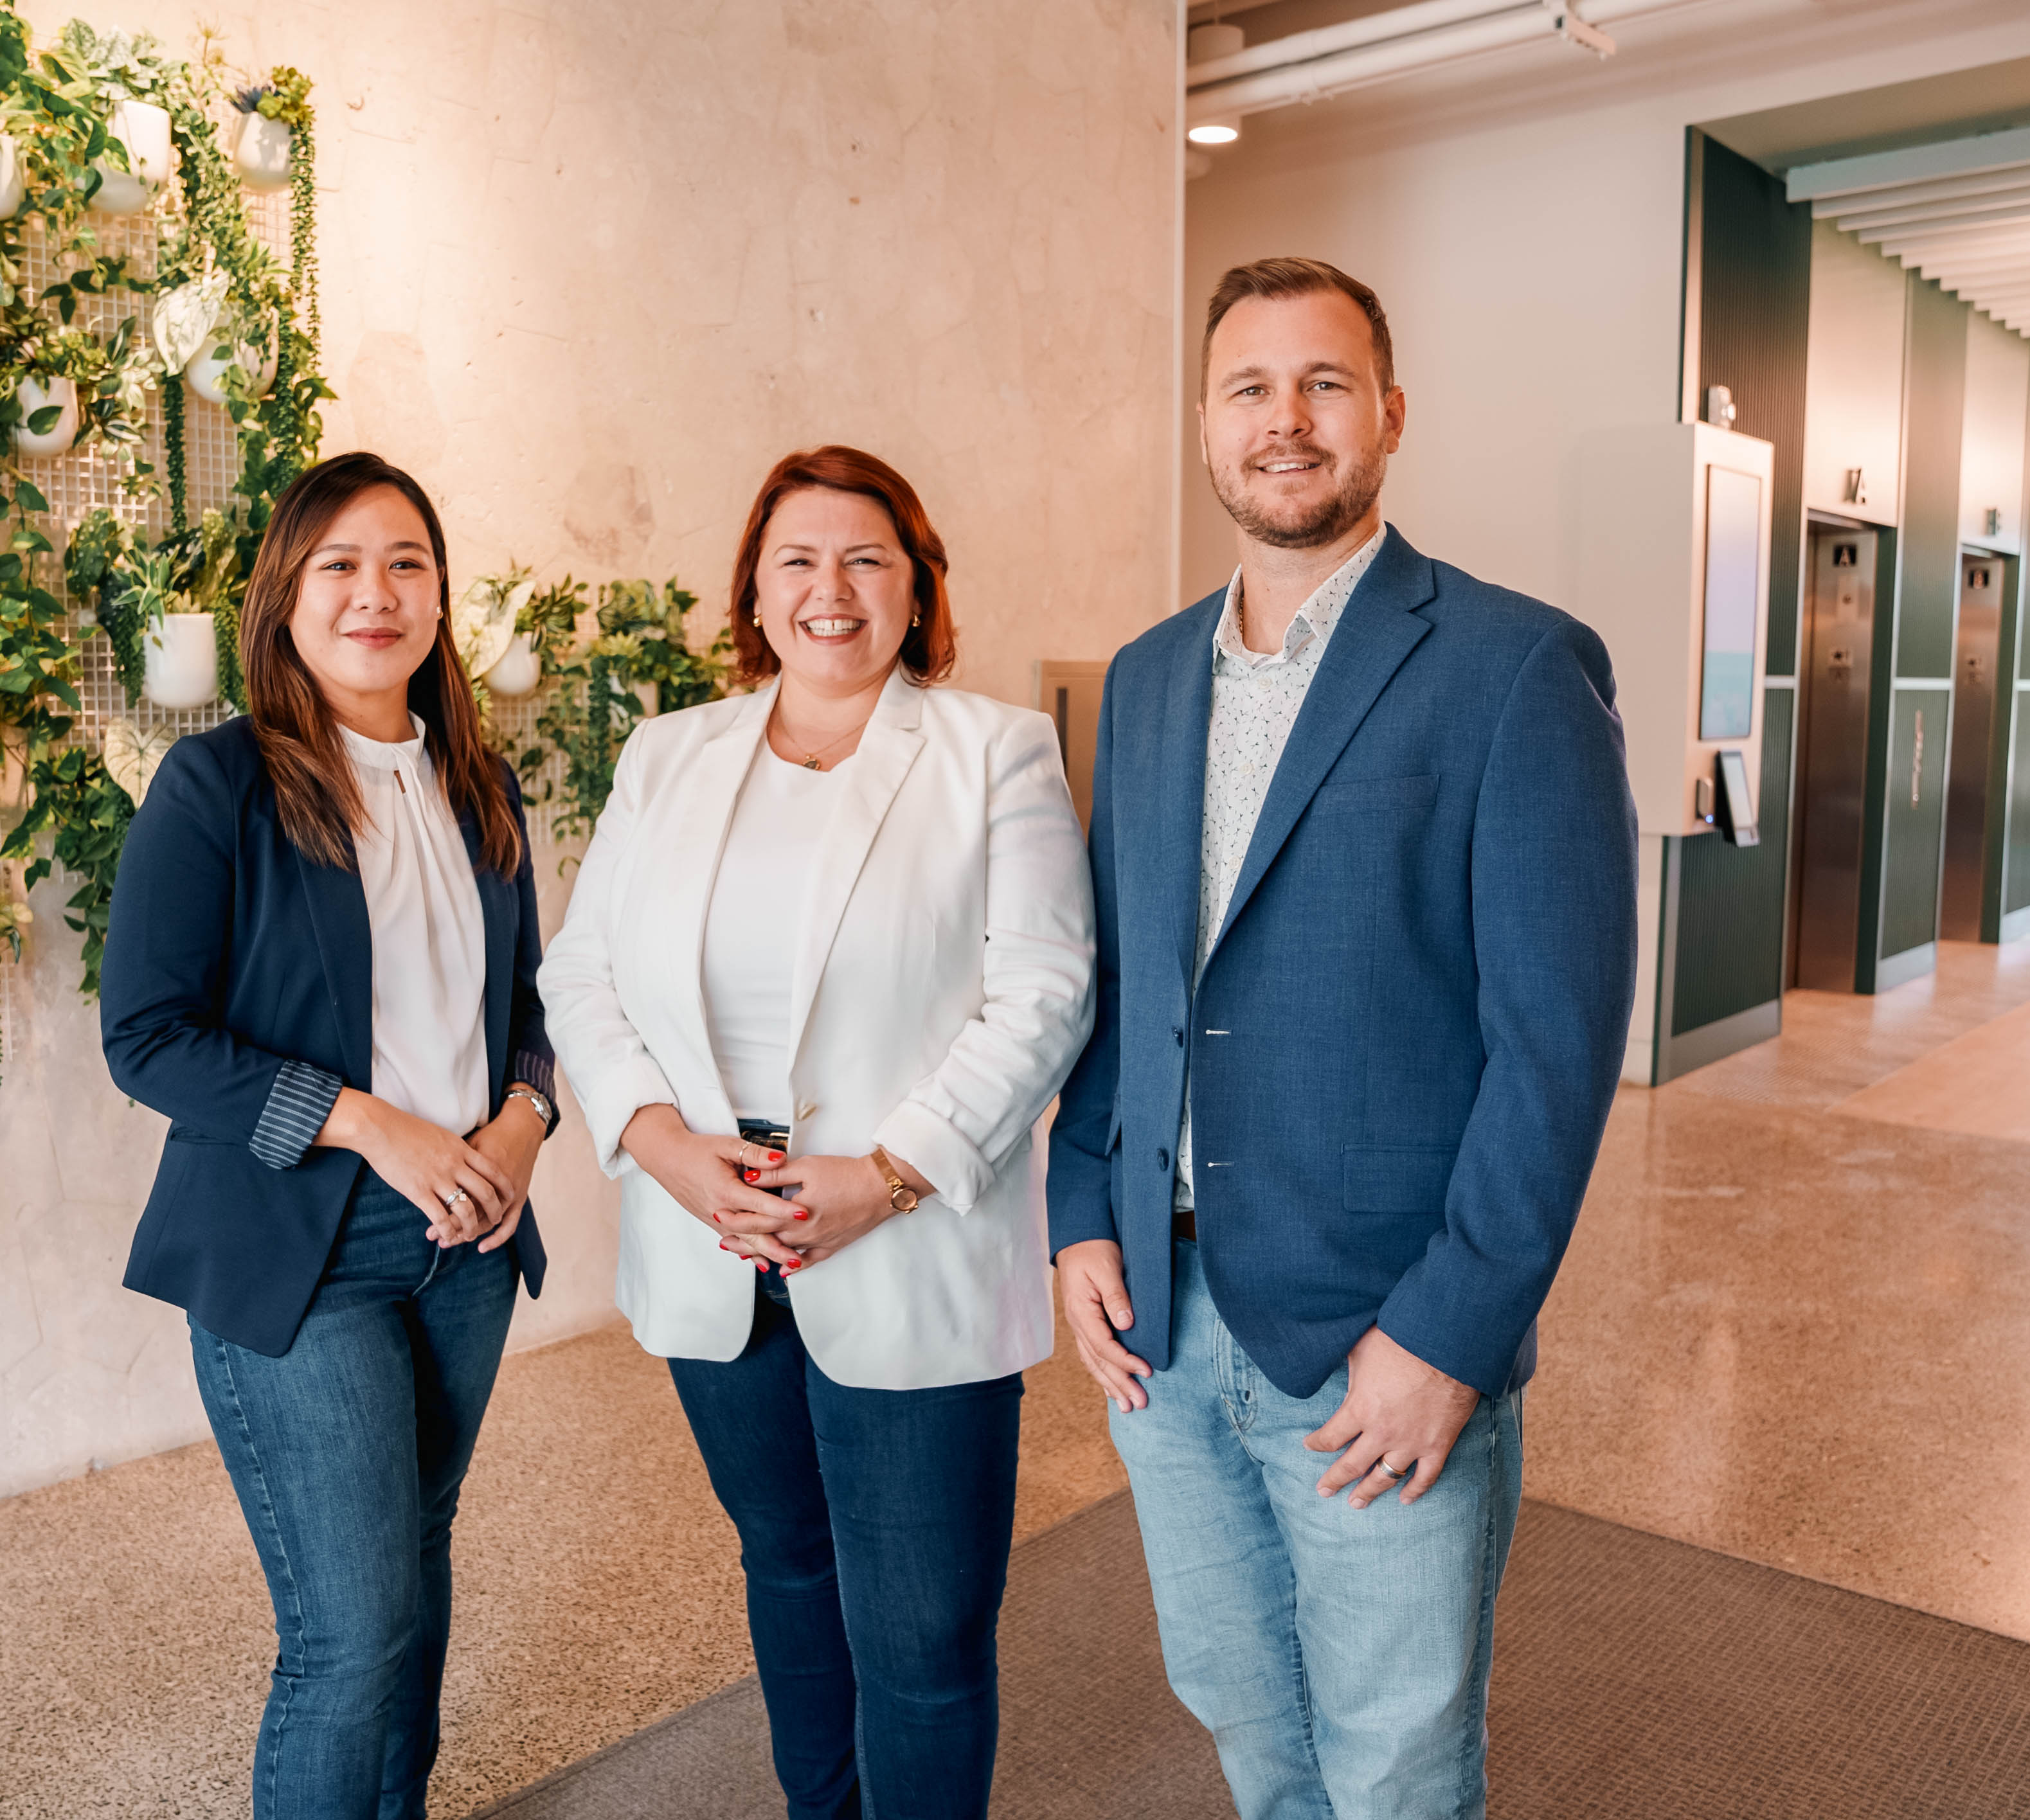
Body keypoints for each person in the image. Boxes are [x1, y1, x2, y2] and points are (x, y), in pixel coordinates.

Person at [1048, 258, 1637, 1817]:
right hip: (1160, 1328)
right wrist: (1076, 1222)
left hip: (1379, 1337)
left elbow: (1555, 1051)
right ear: (1202, 423)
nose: (1285, 421)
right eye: (1248, 387)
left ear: (1386, 414)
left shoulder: (1513, 666)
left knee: (1392, 1757)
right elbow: (1125, 989)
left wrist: (1446, 1335)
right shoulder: (1148, 675)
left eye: (1323, 384)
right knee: (1247, 1719)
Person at [540, 445, 1095, 1820]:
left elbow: (1044, 990)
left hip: (905, 1240)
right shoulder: (669, 754)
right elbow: (580, 972)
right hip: (709, 1239)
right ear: (754, 588)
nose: (829, 589)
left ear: (915, 590)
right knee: (785, 1568)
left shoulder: (991, 751)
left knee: (919, 1635)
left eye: (865, 559)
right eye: (796, 558)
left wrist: (889, 1173)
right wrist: (663, 1146)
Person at [98, 452, 560, 1820]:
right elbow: (148, 1037)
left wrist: (524, 1127)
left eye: (406, 562)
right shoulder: (220, 784)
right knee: (351, 1634)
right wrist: (374, 1129)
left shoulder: (478, 782)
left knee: (412, 1579)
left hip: (466, 1242)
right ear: (284, 599)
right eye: (340, 566)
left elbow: (537, 1006)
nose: (377, 593)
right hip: (300, 1250)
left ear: (439, 597)